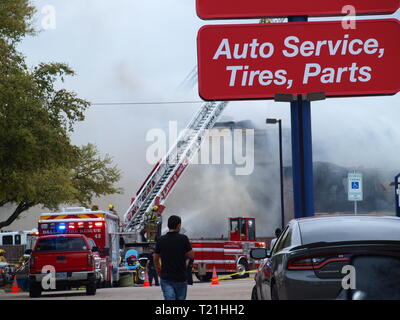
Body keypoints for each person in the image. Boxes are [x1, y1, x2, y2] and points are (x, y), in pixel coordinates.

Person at [154, 215, 194, 300]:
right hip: (181, 277)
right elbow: (191, 255)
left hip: (166, 277)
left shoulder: (161, 239)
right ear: (178, 225)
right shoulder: (183, 239)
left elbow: (155, 257)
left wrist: (158, 269)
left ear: (168, 225)